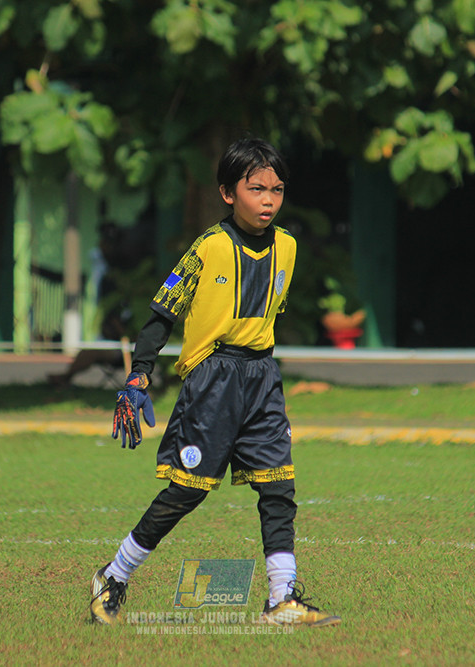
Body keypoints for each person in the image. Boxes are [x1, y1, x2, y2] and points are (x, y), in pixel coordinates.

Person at [90, 137, 340, 627]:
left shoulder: (288, 247)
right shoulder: (209, 247)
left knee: (279, 486)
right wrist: (139, 374)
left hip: (263, 376)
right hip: (213, 380)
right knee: (188, 491)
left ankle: (281, 598)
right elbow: (161, 314)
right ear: (228, 193)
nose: (268, 199)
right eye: (256, 189)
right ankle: (114, 575)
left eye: (277, 189)